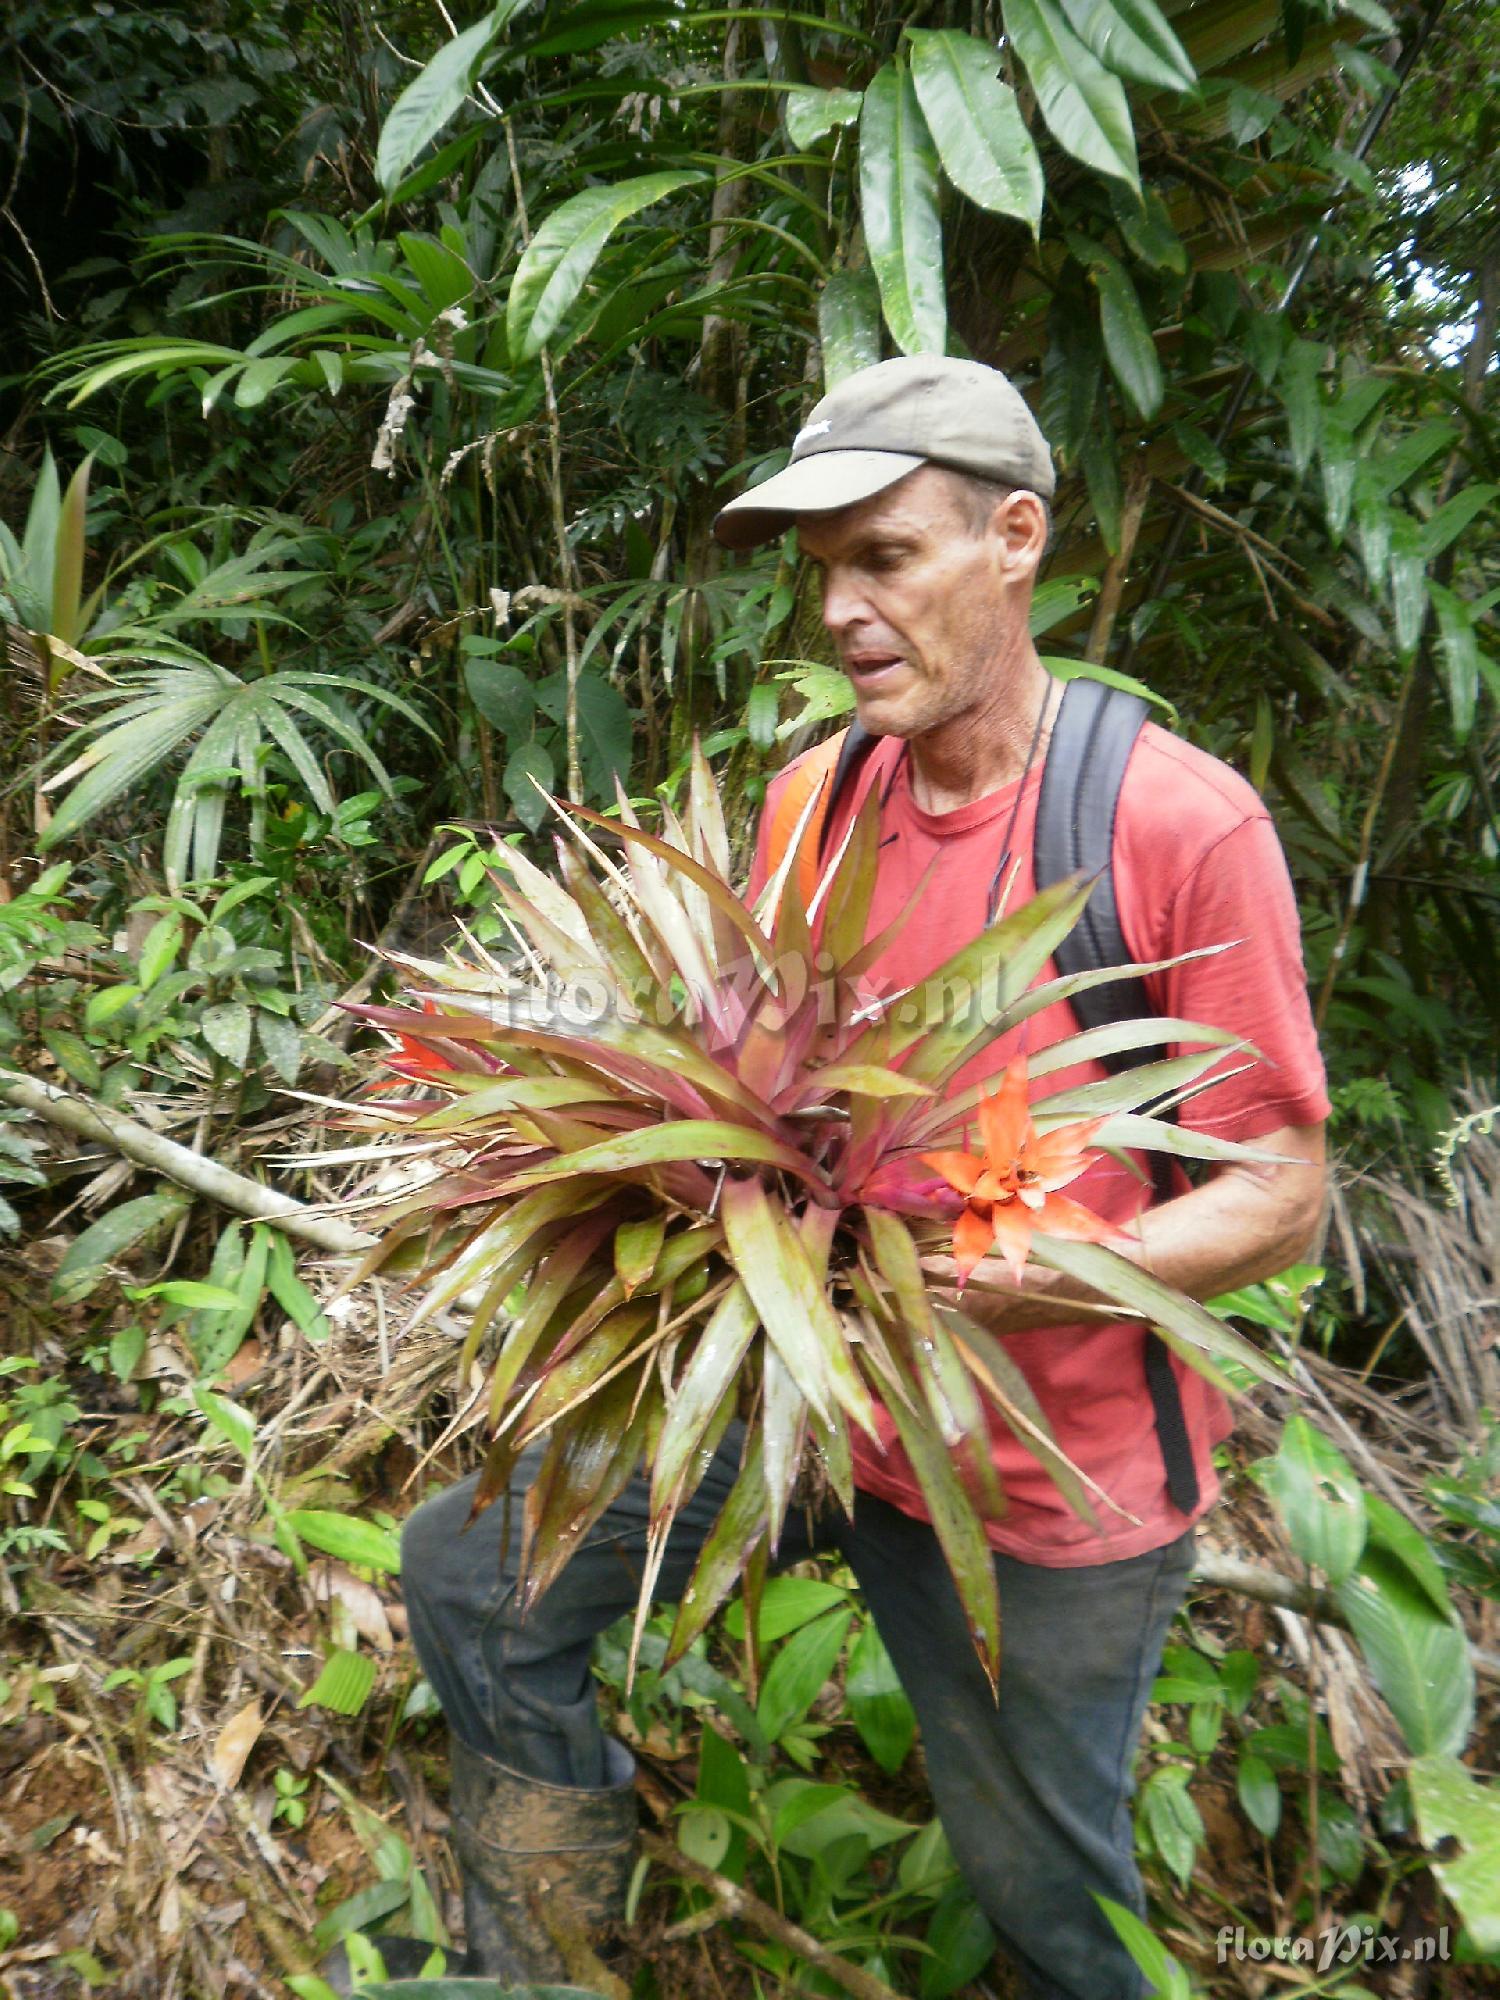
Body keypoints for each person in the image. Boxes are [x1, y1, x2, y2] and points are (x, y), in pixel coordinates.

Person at [350, 356, 1329, 1999]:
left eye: (886, 559)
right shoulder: (819, 801)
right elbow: (750, 1077)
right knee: (475, 1572)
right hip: (807, 1404)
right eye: (825, 573)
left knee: (1048, 1902)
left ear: (1014, 539)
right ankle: (543, 1956)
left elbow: (1282, 1192)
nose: (842, 611)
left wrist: (1048, 1276)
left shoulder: (1176, 827)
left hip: (1041, 1477)